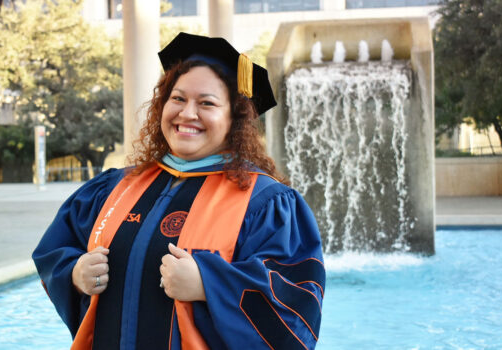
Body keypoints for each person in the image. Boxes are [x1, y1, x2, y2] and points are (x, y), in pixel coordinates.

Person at [33, 32, 325, 350]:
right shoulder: (114, 188)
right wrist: (74, 274)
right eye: (178, 98)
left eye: (207, 103)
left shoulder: (264, 203)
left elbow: (295, 306)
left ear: (234, 119)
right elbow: (54, 253)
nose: (187, 113)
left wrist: (207, 284)